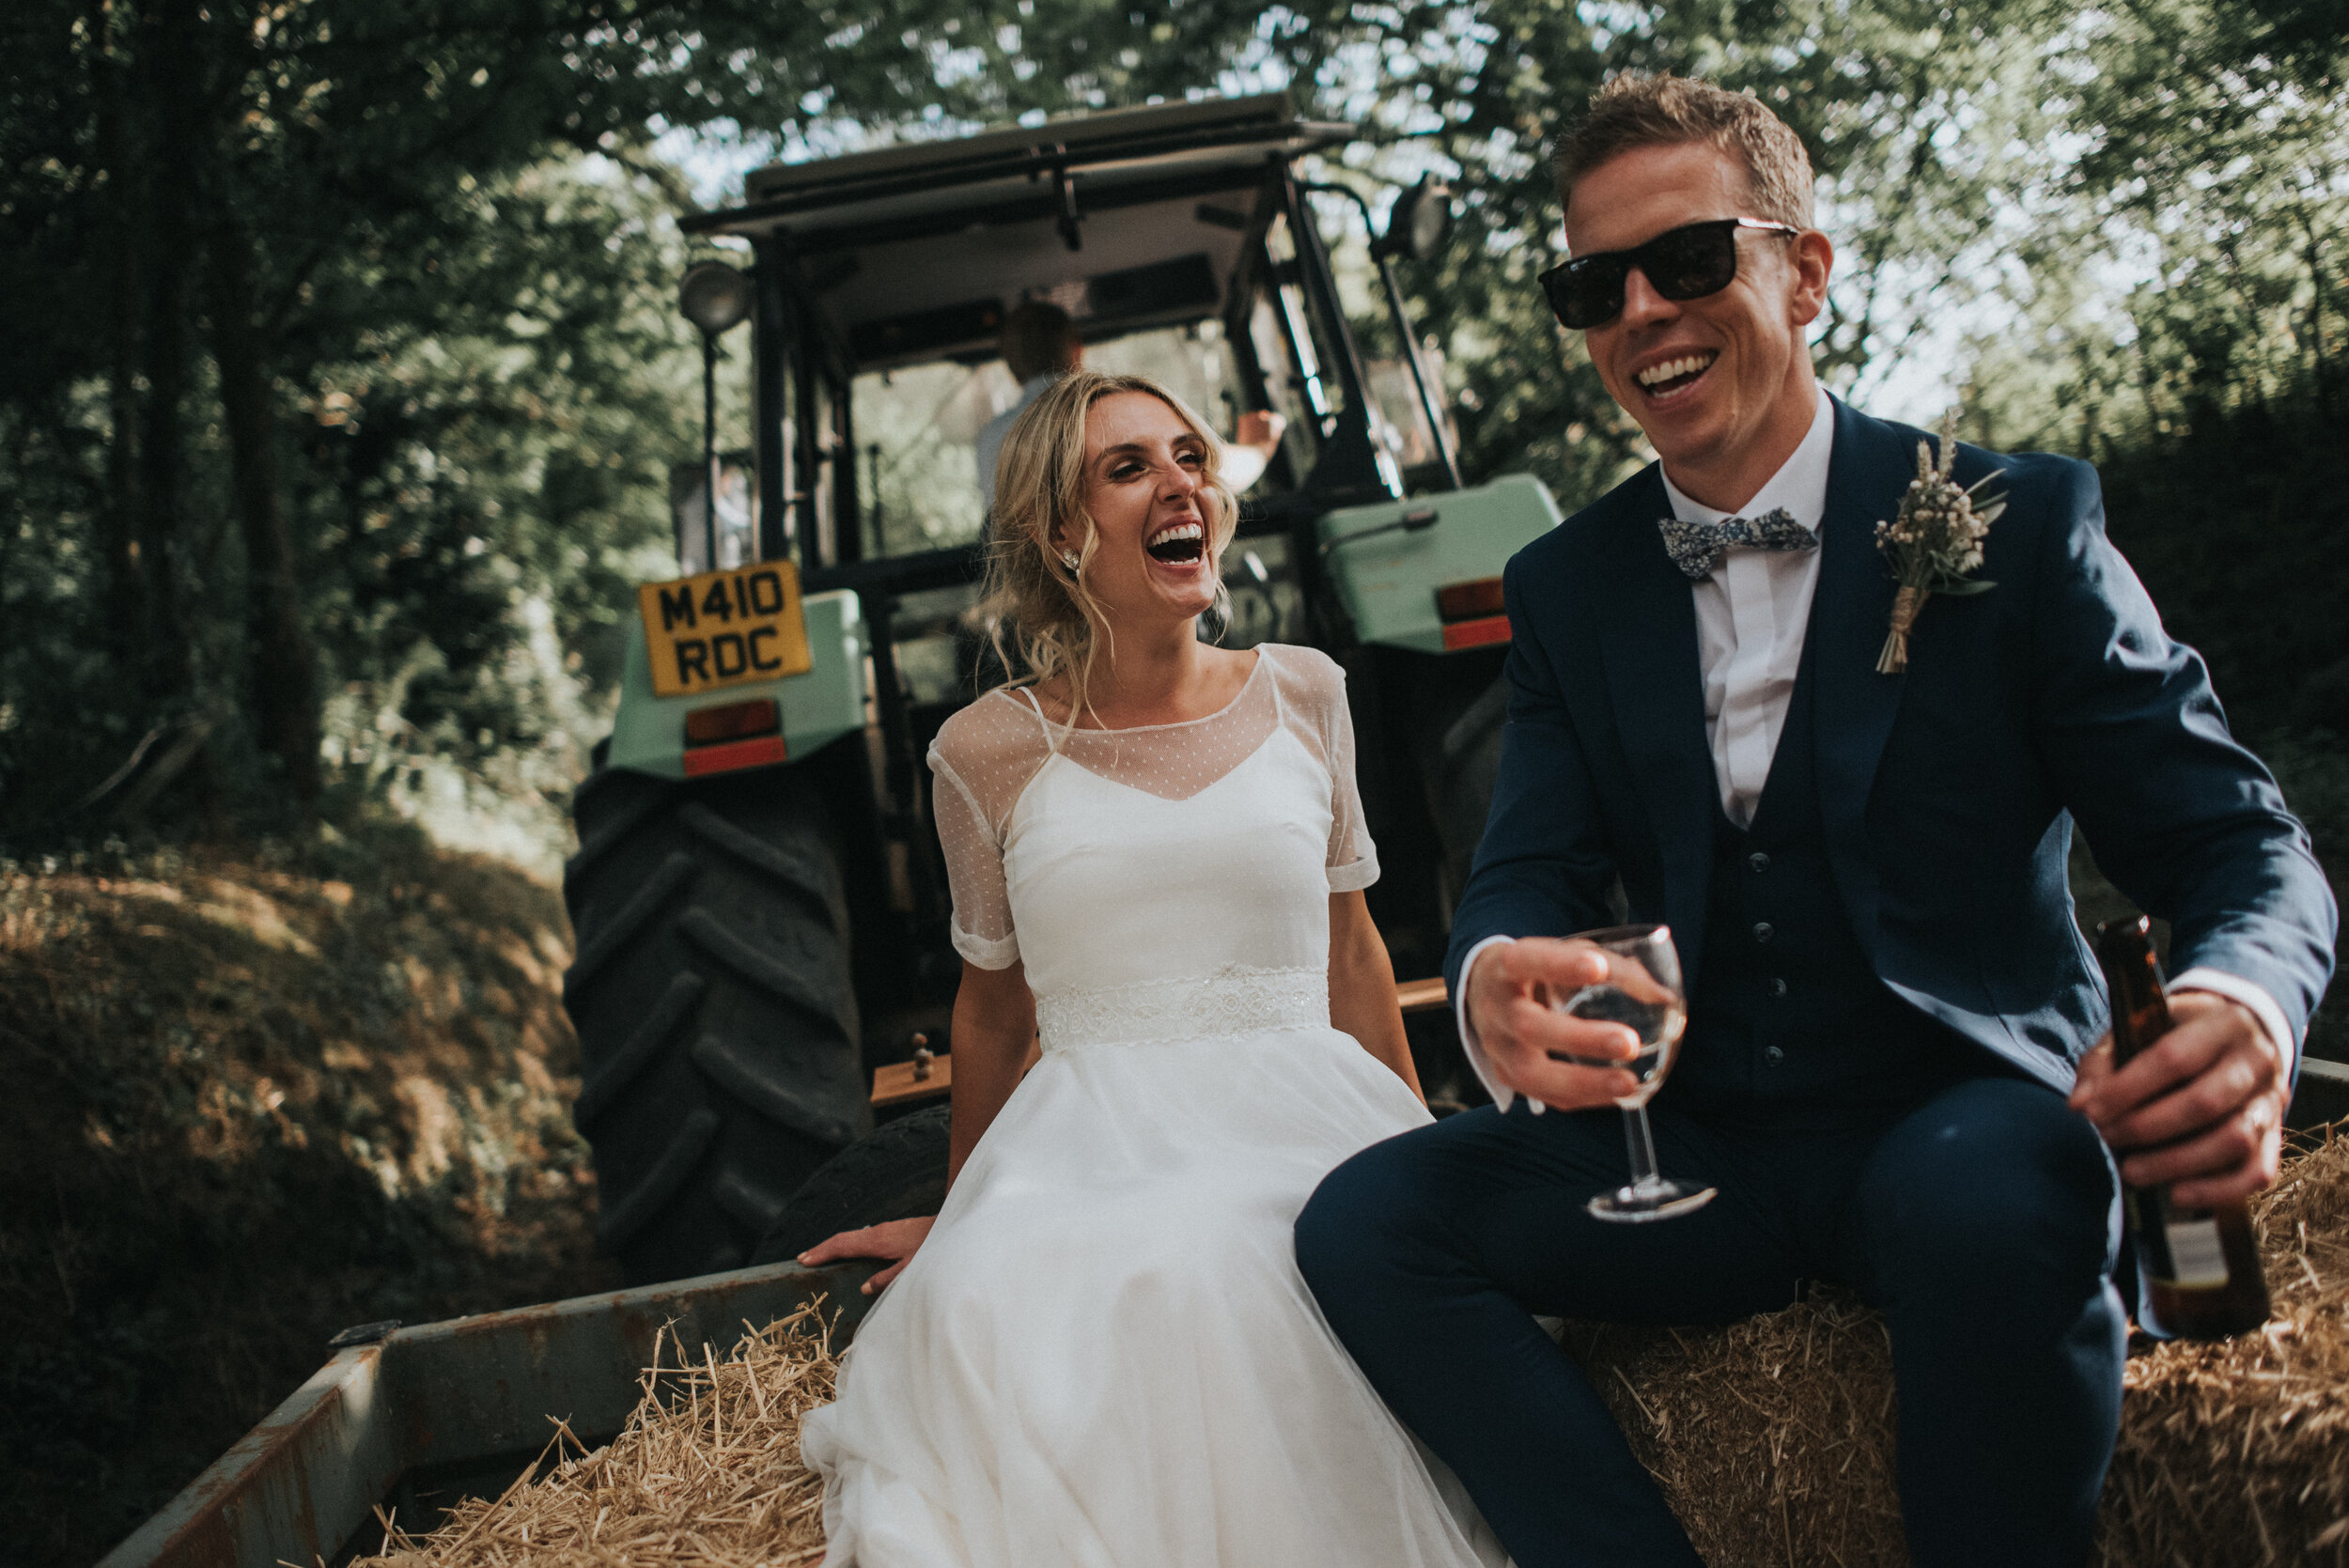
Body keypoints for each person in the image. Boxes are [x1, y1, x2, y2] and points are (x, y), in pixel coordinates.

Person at [1294, 73, 2336, 1568]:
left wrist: (2244, 1002)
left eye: (1693, 260)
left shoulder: (2014, 522)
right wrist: (1491, 977)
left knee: (2003, 1197)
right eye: (1597, 285)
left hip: (1954, 1115)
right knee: (1364, 1228)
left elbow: (2238, 844)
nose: (1643, 310)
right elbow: (1523, 858)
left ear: (1806, 269)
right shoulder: (1567, 585)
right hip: (1696, 1145)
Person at [797, 367, 1505, 1568]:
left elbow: (1350, 948)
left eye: (1190, 457)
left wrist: (1424, 1142)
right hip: (1096, 1135)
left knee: (1300, 1245)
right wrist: (968, 1218)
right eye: (1128, 467)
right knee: (1169, 1268)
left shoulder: (1307, 691)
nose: (1182, 483)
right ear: (1057, 533)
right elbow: (989, 1015)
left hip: (1310, 1108)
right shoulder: (984, 751)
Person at [974, 299, 1284, 513]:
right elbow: (1207, 477)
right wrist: (1258, 449)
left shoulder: (990, 441)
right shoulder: (1109, 410)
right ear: (1076, 348)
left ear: (1012, 366)